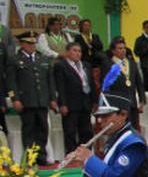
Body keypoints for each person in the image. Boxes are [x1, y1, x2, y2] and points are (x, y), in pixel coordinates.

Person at [7, 31, 57, 165]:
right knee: (29, 130)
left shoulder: (43, 59)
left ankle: (41, 157)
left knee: (43, 129)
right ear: (22, 44)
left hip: (42, 100)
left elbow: (50, 81)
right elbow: (11, 82)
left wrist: (52, 98)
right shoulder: (15, 60)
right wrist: (15, 99)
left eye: (33, 43)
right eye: (29, 43)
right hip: (26, 101)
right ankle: (30, 158)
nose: (32, 46)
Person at [54, 41, 96, 155]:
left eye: (79, 51)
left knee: (87, 131)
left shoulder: (86, 65)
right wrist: (62, 104)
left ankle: (85, 153)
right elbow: (60, 86)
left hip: (85, 103)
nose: (78, 53)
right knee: (70, 131)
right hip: (70, 104)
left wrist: (94, 101)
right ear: (67, 52)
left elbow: (91, 83)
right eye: (75, 51)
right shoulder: (61, 65)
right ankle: (71, 154)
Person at [106, 37, 146, 132]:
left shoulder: (132, 63)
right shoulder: (108, 64)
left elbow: (139, 83)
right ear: (113, 51)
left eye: (124, 48)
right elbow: (107, 86)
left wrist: (142, 99)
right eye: (119, 48)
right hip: (117, 103)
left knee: (133, 128)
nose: (123, 50)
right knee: (120, 129)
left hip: (131, 102)